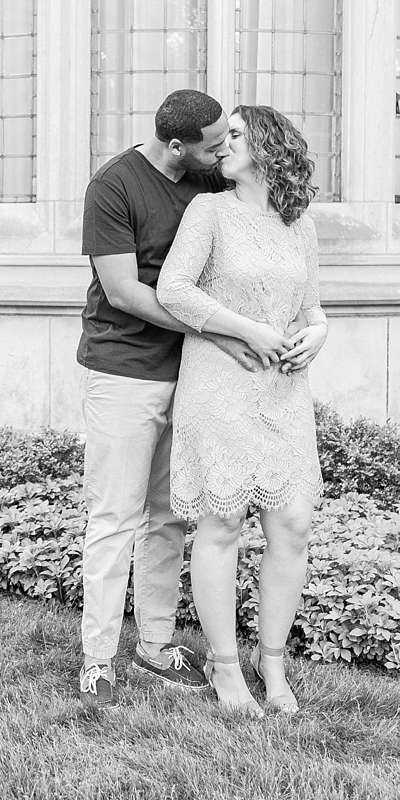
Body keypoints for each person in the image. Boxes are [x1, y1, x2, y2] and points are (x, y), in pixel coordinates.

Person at [75, 89, 288, 709]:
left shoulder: (205, 181)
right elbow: (122, 291)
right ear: (177, 144)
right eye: (214, 143)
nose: (223, 150)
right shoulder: (114, 186)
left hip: (195, 374)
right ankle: (98, 659)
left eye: (228, 140)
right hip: (125, 370)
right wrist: (216, 329)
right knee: (115, 515)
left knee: (169, 513)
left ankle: (156, 644)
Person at [156, 103, 329, 716]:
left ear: (267, 146)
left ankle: (272, 662)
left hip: (284, 392)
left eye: (232, 135)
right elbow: (173, 289)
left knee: (293, 527)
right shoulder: (209, 212)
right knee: (222, 523)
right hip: (219, 382)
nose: (218, 144)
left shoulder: (299, 224)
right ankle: (224, 666)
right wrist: (250, 330)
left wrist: (319, 333)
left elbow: (311, 305)